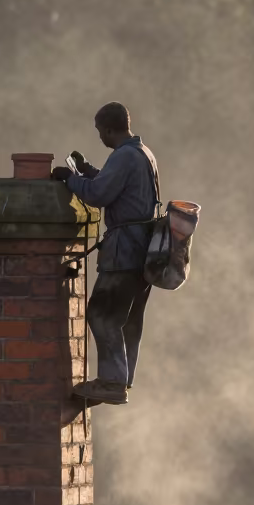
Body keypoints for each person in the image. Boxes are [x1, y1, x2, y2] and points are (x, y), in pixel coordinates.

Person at [51, 102, 159, 406]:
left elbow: (98, 195)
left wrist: (68, 178)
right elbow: (115, 188)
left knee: (102, 312)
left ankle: (112, 382)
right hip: (142, 253)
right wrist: (87, 170)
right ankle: (121, 379)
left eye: (100, 131)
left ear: (110, 129)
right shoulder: (142, 153)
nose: (100, 137)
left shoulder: (123, 156)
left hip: (124, 252)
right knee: (127, 318)